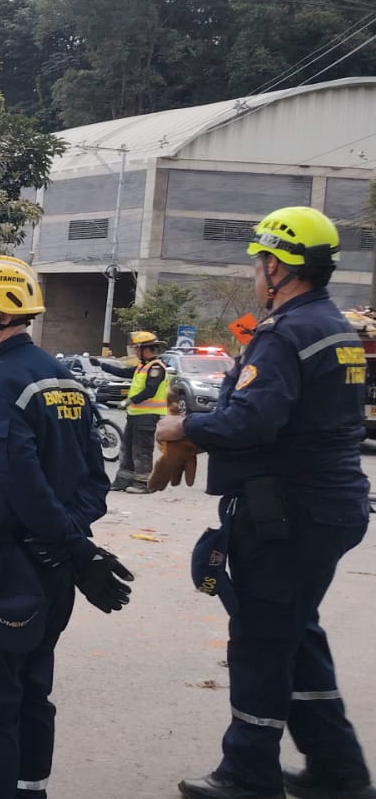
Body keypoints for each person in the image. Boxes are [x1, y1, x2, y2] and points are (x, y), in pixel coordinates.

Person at [153, 207, 373, 799]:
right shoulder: (337, 329)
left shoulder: (286, 334)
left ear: (279, 265)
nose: (255, 269)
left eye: (259, 259)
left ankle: (249, 773)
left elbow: (252, 420)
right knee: (295, 632)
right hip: (329, 503)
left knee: (261, 640)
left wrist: (185, 427)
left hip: (289, 512)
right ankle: (339, 770)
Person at [0, 255, 132, 798]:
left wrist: (70, 546)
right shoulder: (60, 376)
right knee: (28, 691)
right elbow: (97, 477)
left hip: (0, 566)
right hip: (47, 571)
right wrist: (73, 548)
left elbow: (19, 485)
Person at [102, 331, 168, 494]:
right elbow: (123, 372)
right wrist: (101, 365)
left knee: (141, 449)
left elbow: (150, 391)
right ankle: (123, 480)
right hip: (135, 415)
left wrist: (129, 401)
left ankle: (143, 483)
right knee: (128, 447)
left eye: (137, 349)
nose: (136, 352)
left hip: (147, 416)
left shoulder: (156, 368)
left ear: (146, 349)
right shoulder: (142, 366)